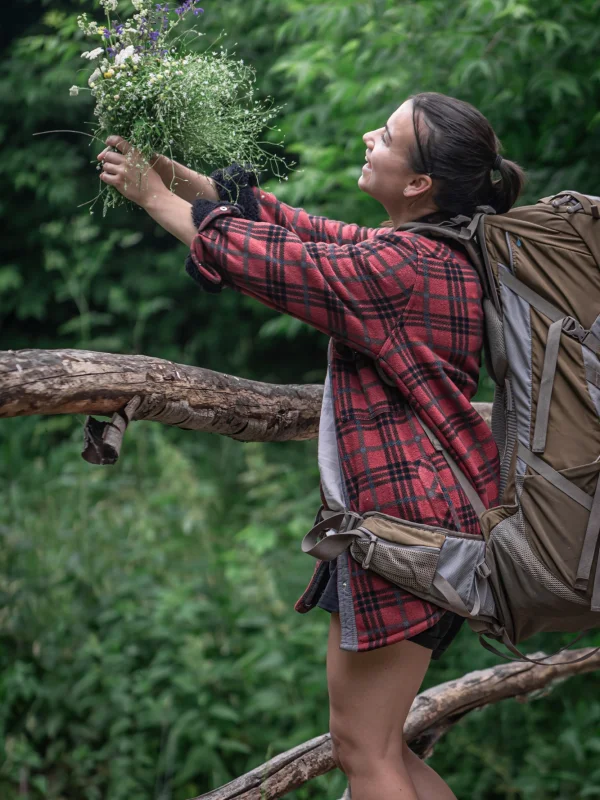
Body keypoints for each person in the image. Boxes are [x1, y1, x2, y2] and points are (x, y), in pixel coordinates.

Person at [97, 92, 524, 800]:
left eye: (387, 136)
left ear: (419, 183)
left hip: (407, 529)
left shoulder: (404, 267)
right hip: (436, 523)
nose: (369, 137)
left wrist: (150, 197)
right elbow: (295, 231)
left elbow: (272, 264)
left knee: (365, 750)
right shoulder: (434, 252)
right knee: (380, 745)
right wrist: (172, 174)